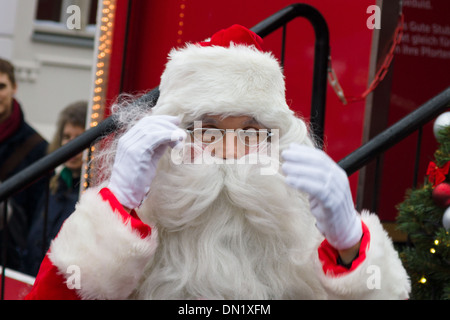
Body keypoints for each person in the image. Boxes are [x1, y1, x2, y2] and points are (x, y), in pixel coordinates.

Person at [26, 25, 410, 300]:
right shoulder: (124, 234)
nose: (228, 151)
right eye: (206, 129)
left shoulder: (306, 237)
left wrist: (351, 248)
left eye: (251, 131)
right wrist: (117, 207)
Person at [21, 101, 87, 276]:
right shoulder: (54, 183)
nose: (71, 146)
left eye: (80, 138)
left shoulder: (89, 191)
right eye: (66, 137)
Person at [0, 58, 49, 271]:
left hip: (11, 261)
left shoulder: (37, 148)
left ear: (14, 88)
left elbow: (39, 213)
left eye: (1, 86)